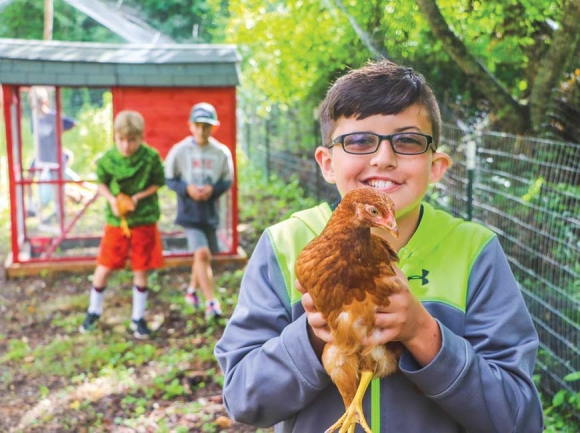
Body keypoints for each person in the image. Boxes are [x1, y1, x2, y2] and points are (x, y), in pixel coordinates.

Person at [214, 60, 544, 432]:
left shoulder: (474, 252)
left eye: (407, 140)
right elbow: (243, 399)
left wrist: (423, 333)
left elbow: (520, 419)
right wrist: (311, 335)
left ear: (436, 166)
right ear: (326, 162)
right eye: (358, 141)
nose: (383, 158)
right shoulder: (285, 245)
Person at [79, 110, 165, 339]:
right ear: (115, 137)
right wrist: (113, 200)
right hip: (117, 222)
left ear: (141, 137)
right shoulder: (108, 159)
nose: (126, 146)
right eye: (121, 140)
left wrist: (137, 198)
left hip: (143, 220)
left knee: (141, 267)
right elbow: (101, 184)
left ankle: (138, 318)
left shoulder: (151, 158)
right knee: (105, 265)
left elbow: (158, 182)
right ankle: (93, 312)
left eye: (132, 140)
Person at [165, 102, 234, 320]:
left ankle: (191, 291)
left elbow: (227, 181)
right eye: (198, 125)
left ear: (214, 127)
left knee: (202, 256)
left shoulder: (221, 153)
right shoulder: (180, 150)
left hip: (209, 212)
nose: (202, 130)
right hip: (188, 212)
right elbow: (170, 178)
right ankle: (211, 302)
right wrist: (187, 189)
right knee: (202, 253)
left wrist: (213, 189)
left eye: (207, 126)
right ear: (190, 126)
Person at [27, 86, 76, 218]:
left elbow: (72, 123)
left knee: (56, 182)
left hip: (53, 155)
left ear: (44, 101)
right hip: (40, 155)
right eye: (32, 101)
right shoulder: (34, 118)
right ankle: (30, 207)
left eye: (37, 101)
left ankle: (58, 209)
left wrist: (59, 132)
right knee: (28, 177)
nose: (35, 105)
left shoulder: (54, 116)